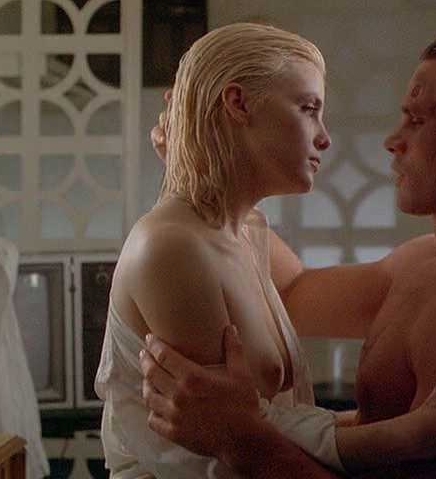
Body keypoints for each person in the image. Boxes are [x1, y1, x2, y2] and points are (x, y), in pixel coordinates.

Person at [141, 39, 436, 477]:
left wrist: (244, 441)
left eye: (417, 120)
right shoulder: (421, 263)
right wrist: (207, 171)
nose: (393, 141)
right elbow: (292, 291)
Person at [95, 22, 345, 479]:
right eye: (309, 108)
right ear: (238, 104)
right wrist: (403, 435)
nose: (325, 138)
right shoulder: (178, 244)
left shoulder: (243, 234)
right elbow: (215, 459)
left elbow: (255, 435)